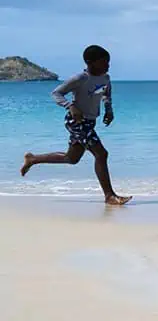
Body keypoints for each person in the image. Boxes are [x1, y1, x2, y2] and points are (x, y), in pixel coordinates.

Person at [20, 44, 131, 205]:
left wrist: (108, 110)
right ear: (90, 62)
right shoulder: (80, 78)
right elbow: (56, 93)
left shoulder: (105, 78)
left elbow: (106, 94)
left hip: (89, 122)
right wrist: (70, 106)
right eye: (104, 62)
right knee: (101, 154)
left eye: (108, 62)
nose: (108, 65)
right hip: (77, 122)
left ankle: (32, 159)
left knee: (71, 158)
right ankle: (109, 196)